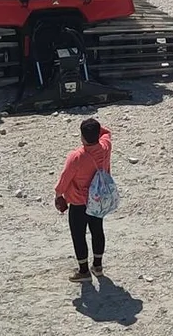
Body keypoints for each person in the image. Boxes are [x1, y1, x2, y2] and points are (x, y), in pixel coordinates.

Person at [53, 117, 113, 281]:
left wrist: (58, 194)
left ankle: (83, 270)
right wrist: (95, 128)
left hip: (79, 202)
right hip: (98, 199)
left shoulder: (76, 156)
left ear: (82, 136)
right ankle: (98, 266)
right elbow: (106, 132)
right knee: (97, 231)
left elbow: (64, 179)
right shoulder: (106, 146)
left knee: (78, 235)